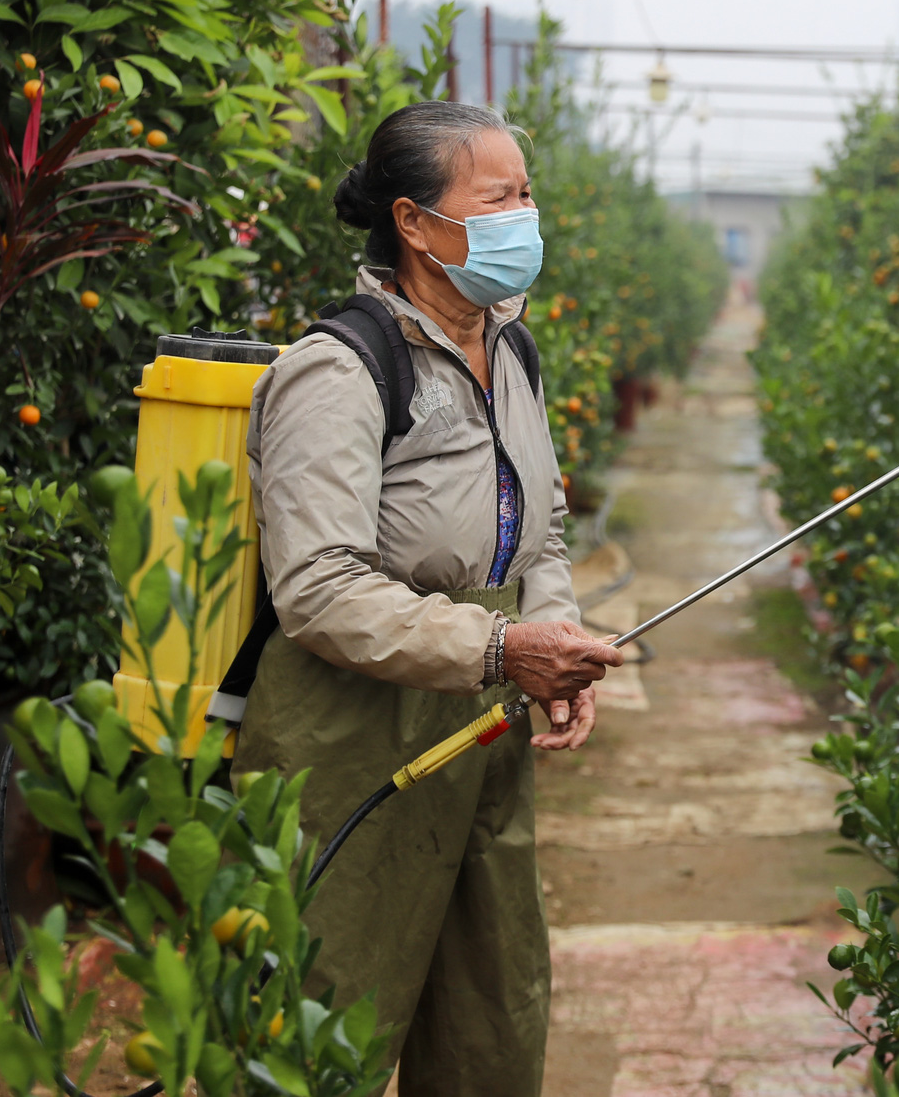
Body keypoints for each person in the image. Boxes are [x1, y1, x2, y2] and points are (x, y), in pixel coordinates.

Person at [234, 101, 622, 1095]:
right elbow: (316, 588)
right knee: (324, 1022)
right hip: (348, 737)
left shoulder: (511, 351)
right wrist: (503, 649)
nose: (523, 217)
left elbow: (541, 527)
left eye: (525, 195)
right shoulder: (340, 368)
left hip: (480, 730)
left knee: (489, 1015)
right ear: (413, 223)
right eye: (499, 198)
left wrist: (556, 635)